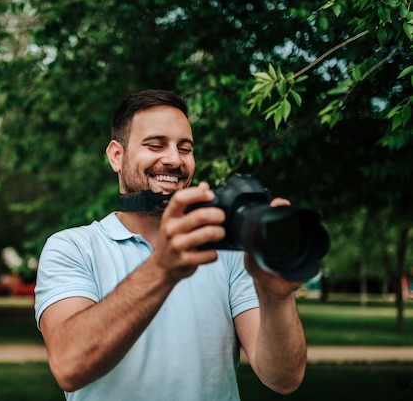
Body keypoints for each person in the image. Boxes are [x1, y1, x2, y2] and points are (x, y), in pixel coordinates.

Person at [34, 89, 306, 400]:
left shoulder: (230, 252)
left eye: (185, 148)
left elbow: (284, 379)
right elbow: (69, 367)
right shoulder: (73, 247)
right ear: (116, 156)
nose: (174, 160)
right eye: (155, 145)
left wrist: (277, 296)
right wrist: (163, 268)